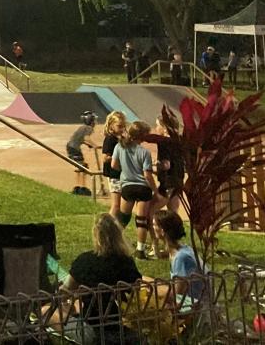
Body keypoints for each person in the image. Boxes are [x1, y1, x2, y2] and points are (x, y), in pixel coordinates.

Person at [59, 214, 143, 344]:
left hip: (91, 329)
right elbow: (136, 288)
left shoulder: (84, 261)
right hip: (119, 324)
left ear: (96, 236)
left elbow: (65, 291)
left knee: (46, 311)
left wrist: (66, 304)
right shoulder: (127, 262)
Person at [112, 121, 159, 259]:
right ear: (142, 136)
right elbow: (147, 175)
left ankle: (113, 244)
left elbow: (114, 165)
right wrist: (155, 190)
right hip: (143, 189)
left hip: (127, 187)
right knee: (141, 220)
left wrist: (125, 170)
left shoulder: (119, 146)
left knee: (123, 218)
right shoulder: (145, 153)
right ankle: (140, 250)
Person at [155, 210, 207, 312]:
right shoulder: (184, 249)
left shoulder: (180, 257)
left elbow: (177, 292)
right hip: (194, 301)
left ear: (162, 230)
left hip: (197, 307)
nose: (152, 228)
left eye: (154, 225)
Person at [67, 111, 100, 196]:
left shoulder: (82, 127)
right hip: (74, 148)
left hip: (70, 147)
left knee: (80, 167)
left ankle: (77, 187)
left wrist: (89, 145)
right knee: (83, 168)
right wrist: (94, 145)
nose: (95, 122)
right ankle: (82, 188)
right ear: (90, 121)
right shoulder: (89, 128)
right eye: (94, 120)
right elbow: (86, 138)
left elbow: (80, 139)